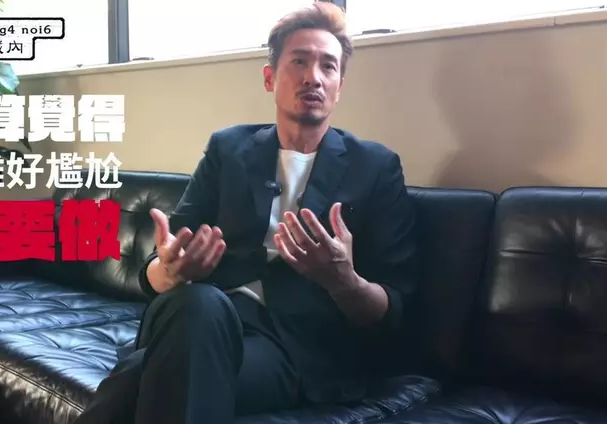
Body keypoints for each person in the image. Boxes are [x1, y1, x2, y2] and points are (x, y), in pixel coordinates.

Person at [73, 3, 418, 424]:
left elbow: (394, 310)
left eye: (328, 66)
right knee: (198, 304)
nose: (313, 77)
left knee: (138, 378)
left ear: (339, 86)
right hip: (202, 317)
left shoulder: (376, 167)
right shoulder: (229, 149)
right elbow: (163, 262)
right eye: (299, 61)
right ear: (270, 77)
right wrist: (170, 271)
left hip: (294, 351)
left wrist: (342, 280)